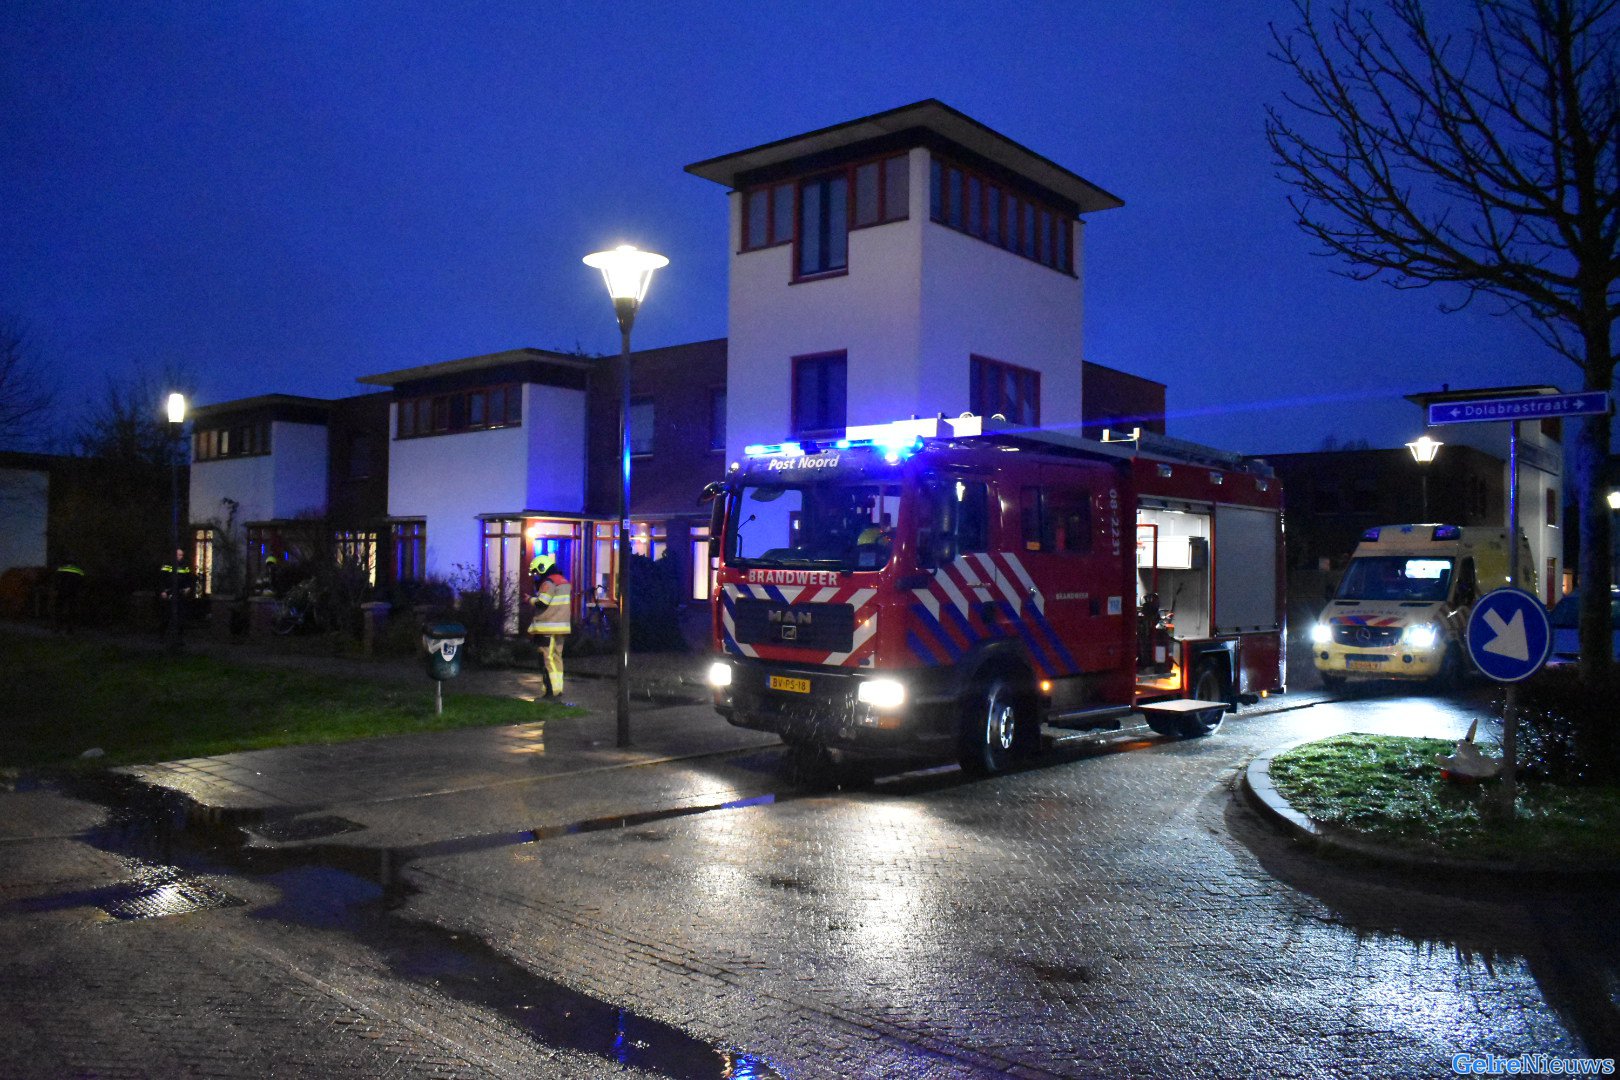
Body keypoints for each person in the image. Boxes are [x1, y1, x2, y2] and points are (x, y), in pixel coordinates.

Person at [527, 553, 571, 699]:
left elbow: (542, 602)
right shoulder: (563, 581)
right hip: (561, 628)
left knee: (546, 658)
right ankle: (558, 689)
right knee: (557, 658)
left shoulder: (548, 583)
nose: (535, 577)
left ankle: (550, 692)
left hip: (547, 628)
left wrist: (530, 600)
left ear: (542, 568)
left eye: (536, 573)